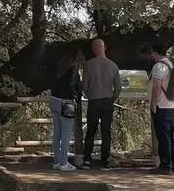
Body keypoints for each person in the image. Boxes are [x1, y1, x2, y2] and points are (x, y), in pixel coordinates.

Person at [82, 38, 122, 168]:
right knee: (106, 132)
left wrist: (90, 95)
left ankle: (87, 160)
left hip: (94, 101)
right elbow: (118, 88)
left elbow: (84, 86)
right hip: (107, 101)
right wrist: (112, 99)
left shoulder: (88, 64)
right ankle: (105, 161)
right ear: (104, 48)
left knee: (91, 131)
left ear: (93, 49)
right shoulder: (113, 65)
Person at [148, 43, 174, 174]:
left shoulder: (159, 66)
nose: (152, 56)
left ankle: (165, 165)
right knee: (171, 136)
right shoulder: (171, 65)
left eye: (152, 53)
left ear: (156, 53)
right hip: (172, 105)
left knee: (163, 137)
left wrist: (153, 103)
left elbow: (157, 87)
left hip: (161, 105)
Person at [48, 49, 84, 172]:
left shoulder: (59, 69)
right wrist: (77, 97)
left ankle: (57, 161)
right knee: (66, 134)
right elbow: (76, 88)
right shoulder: (74, 71)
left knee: (57, 133)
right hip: (66, 103)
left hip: (54, 101)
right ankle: (64, 162)